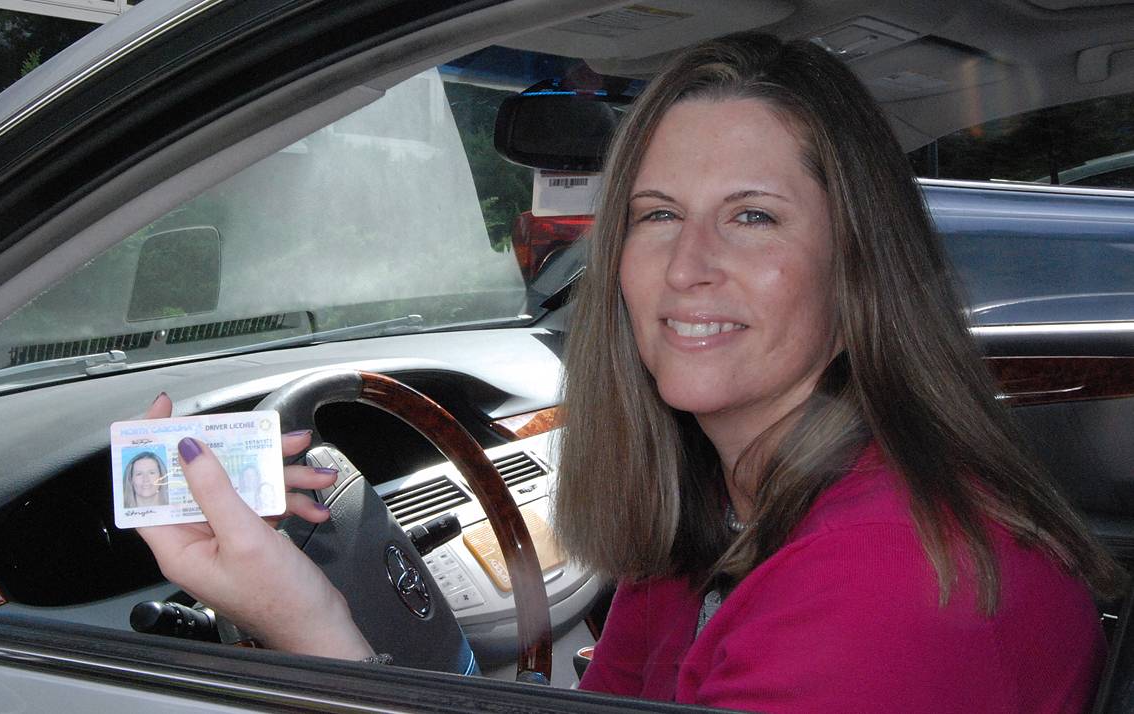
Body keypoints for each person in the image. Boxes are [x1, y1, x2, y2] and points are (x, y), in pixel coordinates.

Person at [135, 32, 1124, 712]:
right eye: (656, 215)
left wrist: (313, 639)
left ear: (861, 261)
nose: (687, 267)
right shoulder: (713, 513)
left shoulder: (888, 581)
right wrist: (315, 618)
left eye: (753, 215)